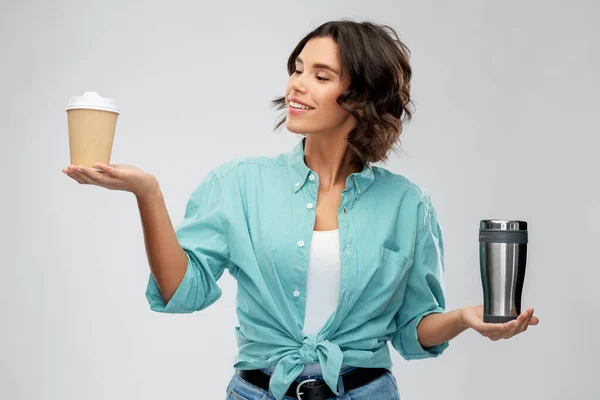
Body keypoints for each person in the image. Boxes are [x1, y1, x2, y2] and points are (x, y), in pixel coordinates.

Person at [62, 19, 539, 400]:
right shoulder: (238, 184)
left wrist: (465, 318)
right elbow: (183, 292)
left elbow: (413, 333)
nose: (296, 85)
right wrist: (149, 193)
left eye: (320, 75)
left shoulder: (407, 205)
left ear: (361, 97)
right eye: (296, 68)